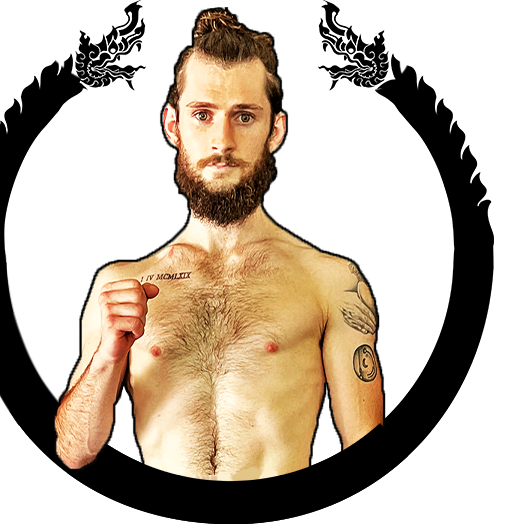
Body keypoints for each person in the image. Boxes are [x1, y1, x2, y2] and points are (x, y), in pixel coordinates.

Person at [54, 8, 384, 481]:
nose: (221, 141)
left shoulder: (331, 282)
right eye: (203, 115)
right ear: (172, 125)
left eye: (244, 117)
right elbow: (74, 452)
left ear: (276, 130)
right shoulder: (120, 284)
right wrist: (108, 357)